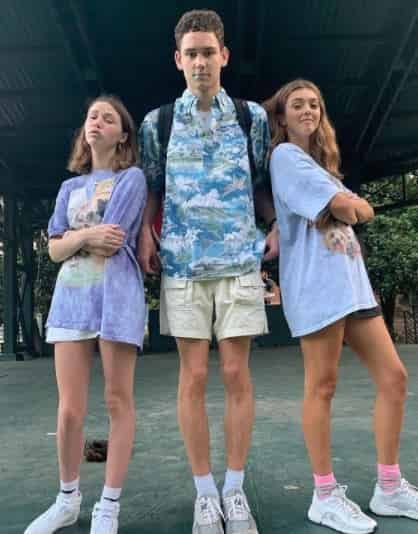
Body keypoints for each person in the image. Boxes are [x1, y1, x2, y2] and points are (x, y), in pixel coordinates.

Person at [138, 9, 278, 534]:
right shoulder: (157, 123)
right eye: (191, 53)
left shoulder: (250, 117)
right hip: (182, 264)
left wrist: (273, 225)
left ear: (225, 56)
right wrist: (145, 233)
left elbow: (260, 182)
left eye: (208, 52)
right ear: (178, 60)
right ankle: (205, 495)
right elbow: (153, 186)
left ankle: (234, 491)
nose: (200, 61)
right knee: (193, 376)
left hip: (240, 261)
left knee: (237, 374)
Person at [264, 79, 418, 534]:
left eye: (314, 104)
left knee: (394, 378)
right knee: (323, 386)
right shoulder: (285, 157)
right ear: (282, 117)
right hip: (317, 286)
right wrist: (349, 205)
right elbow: (347, 209)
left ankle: (388, 487)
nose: (308, 110)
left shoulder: (321, 168)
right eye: (297, 105)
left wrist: (351, 205)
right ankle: (324, 496)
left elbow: (356, 209)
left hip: (353, 286)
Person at [24, 95, 147, 534]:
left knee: (118, 401)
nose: (97, 122)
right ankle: (67, 500)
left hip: (117, 299)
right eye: (93, 116)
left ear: (122, 135)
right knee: (69, 411)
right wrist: (83, 237)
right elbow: (54, 250)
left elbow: (113, 239)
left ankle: (108, 506)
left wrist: (74, 237)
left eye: (108, 118)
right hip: (70, 302)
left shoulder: (131, 178)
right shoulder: (67, 189)